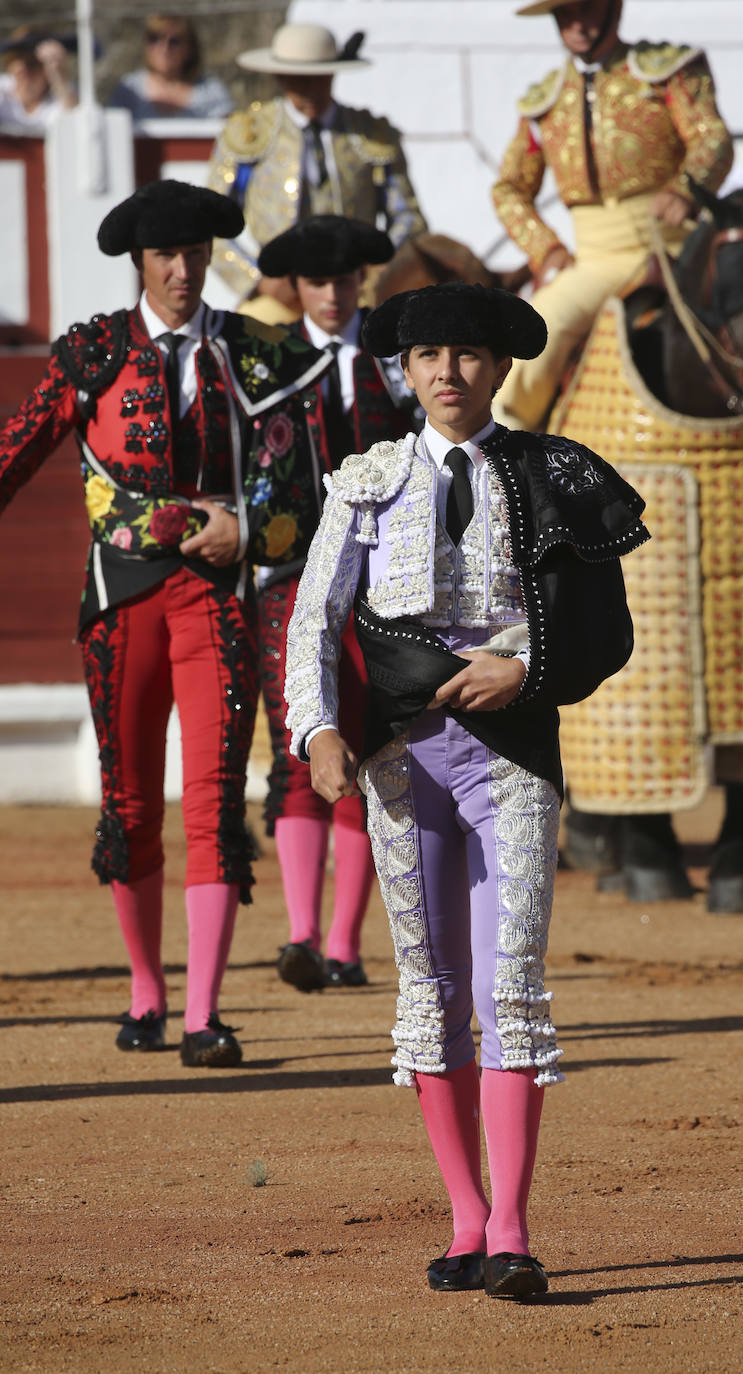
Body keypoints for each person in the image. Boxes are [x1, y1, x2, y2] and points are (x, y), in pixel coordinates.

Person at [284, 282, 647, 1298]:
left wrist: (523, 669)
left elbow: (604, 630)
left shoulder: (553, 472)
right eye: (429, 355)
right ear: (404, 370)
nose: (450, 372)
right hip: (402, 763)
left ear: (499, 367)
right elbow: (316, 619)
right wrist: (314, 728)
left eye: (470, 355)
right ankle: (465, 1218)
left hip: (511, 755)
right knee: (431, 995)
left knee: (511, 990)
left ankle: (515, 1228)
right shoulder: (365, 480)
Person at [0, 180, 331, 1068]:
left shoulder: (255, 355)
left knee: (216, 805)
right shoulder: (93, 353)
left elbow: (301, 493)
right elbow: (14, 453)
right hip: (120, 601)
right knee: (131, 803)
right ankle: (147, 993)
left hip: (213, 603)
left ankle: (204, 1014)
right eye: (165, 258)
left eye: (193, 256)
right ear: (139, 264)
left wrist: (248, 531)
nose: (183, 272)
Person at [255, 214, 419, 992]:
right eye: (317, 281)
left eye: (343, 280)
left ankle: (346, 944)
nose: (330, 294)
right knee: (304, 740)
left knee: (369, 745)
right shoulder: (271, 364)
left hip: (383, 583)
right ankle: (301, 935)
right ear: (295, 286)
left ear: (362, 281)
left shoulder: (396, 363)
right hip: (290, 578)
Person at [491, 0, 733, 431]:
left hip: (683, 245)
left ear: (613, 10)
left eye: (585, 9)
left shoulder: (668, 71)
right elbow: (509, 189)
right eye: (564, 15)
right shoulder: (543, 102)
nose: (576, 25)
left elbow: (711, 137)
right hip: (599, 259)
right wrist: (545, 249)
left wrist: (684, 189)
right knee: (533, 342)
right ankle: (504, 469)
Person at [207, 22, 427, 316]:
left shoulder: (370, 134)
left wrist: (376, 265)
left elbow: (409, 219)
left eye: (318, 79)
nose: (309, 90)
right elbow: (211, 225)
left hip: (358, 291)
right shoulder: (249, 132)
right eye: (298, 80)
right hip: (280, 293)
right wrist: (259, 279)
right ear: (279, 77)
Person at [108, 14, 233, 122]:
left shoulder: (211, 90)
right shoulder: (130, 89)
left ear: (190, 48)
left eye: (174, 41)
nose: (164, 48)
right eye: (154, 38)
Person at [0, 27, 77, 130]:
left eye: (33, 64)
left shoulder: (60, 96)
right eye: (16, 60)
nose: (24, 71)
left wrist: (59, 76)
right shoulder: (3, 89)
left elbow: (76, 125)